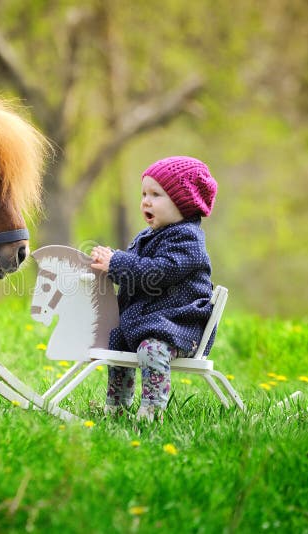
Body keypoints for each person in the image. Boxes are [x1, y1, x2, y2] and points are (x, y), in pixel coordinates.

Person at [90, 156, 217, 422]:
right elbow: (136, 273)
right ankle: (117, 406)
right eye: (144, 194)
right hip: (149, 320)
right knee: (117, 342)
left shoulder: (187, 240)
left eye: (156, 194)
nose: (146, 201)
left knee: (152, 350)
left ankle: (152, 410)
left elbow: (158, 273)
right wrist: (109, 265)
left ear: (184, 203)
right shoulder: (148, 236)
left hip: (179, 324)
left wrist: (118, 263)